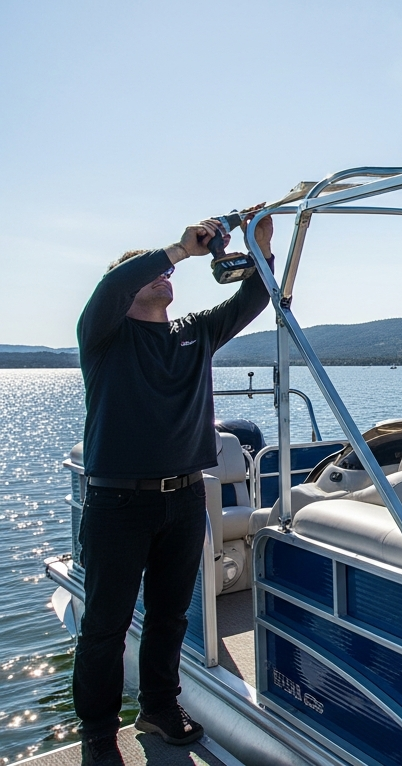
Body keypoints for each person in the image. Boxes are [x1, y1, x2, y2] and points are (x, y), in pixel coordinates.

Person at [74, 213, 274, 765]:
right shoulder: (105, 335)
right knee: (105, 626)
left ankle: (159, 708)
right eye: (152, 273)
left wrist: (260, 250)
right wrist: (179, 249)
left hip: (185, 498)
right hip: (118, 502)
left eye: (166, 274)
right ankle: (98, 732)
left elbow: (252, 299)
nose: (164, 277)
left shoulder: (195, 332)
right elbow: (111, 287)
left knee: (170, 616)